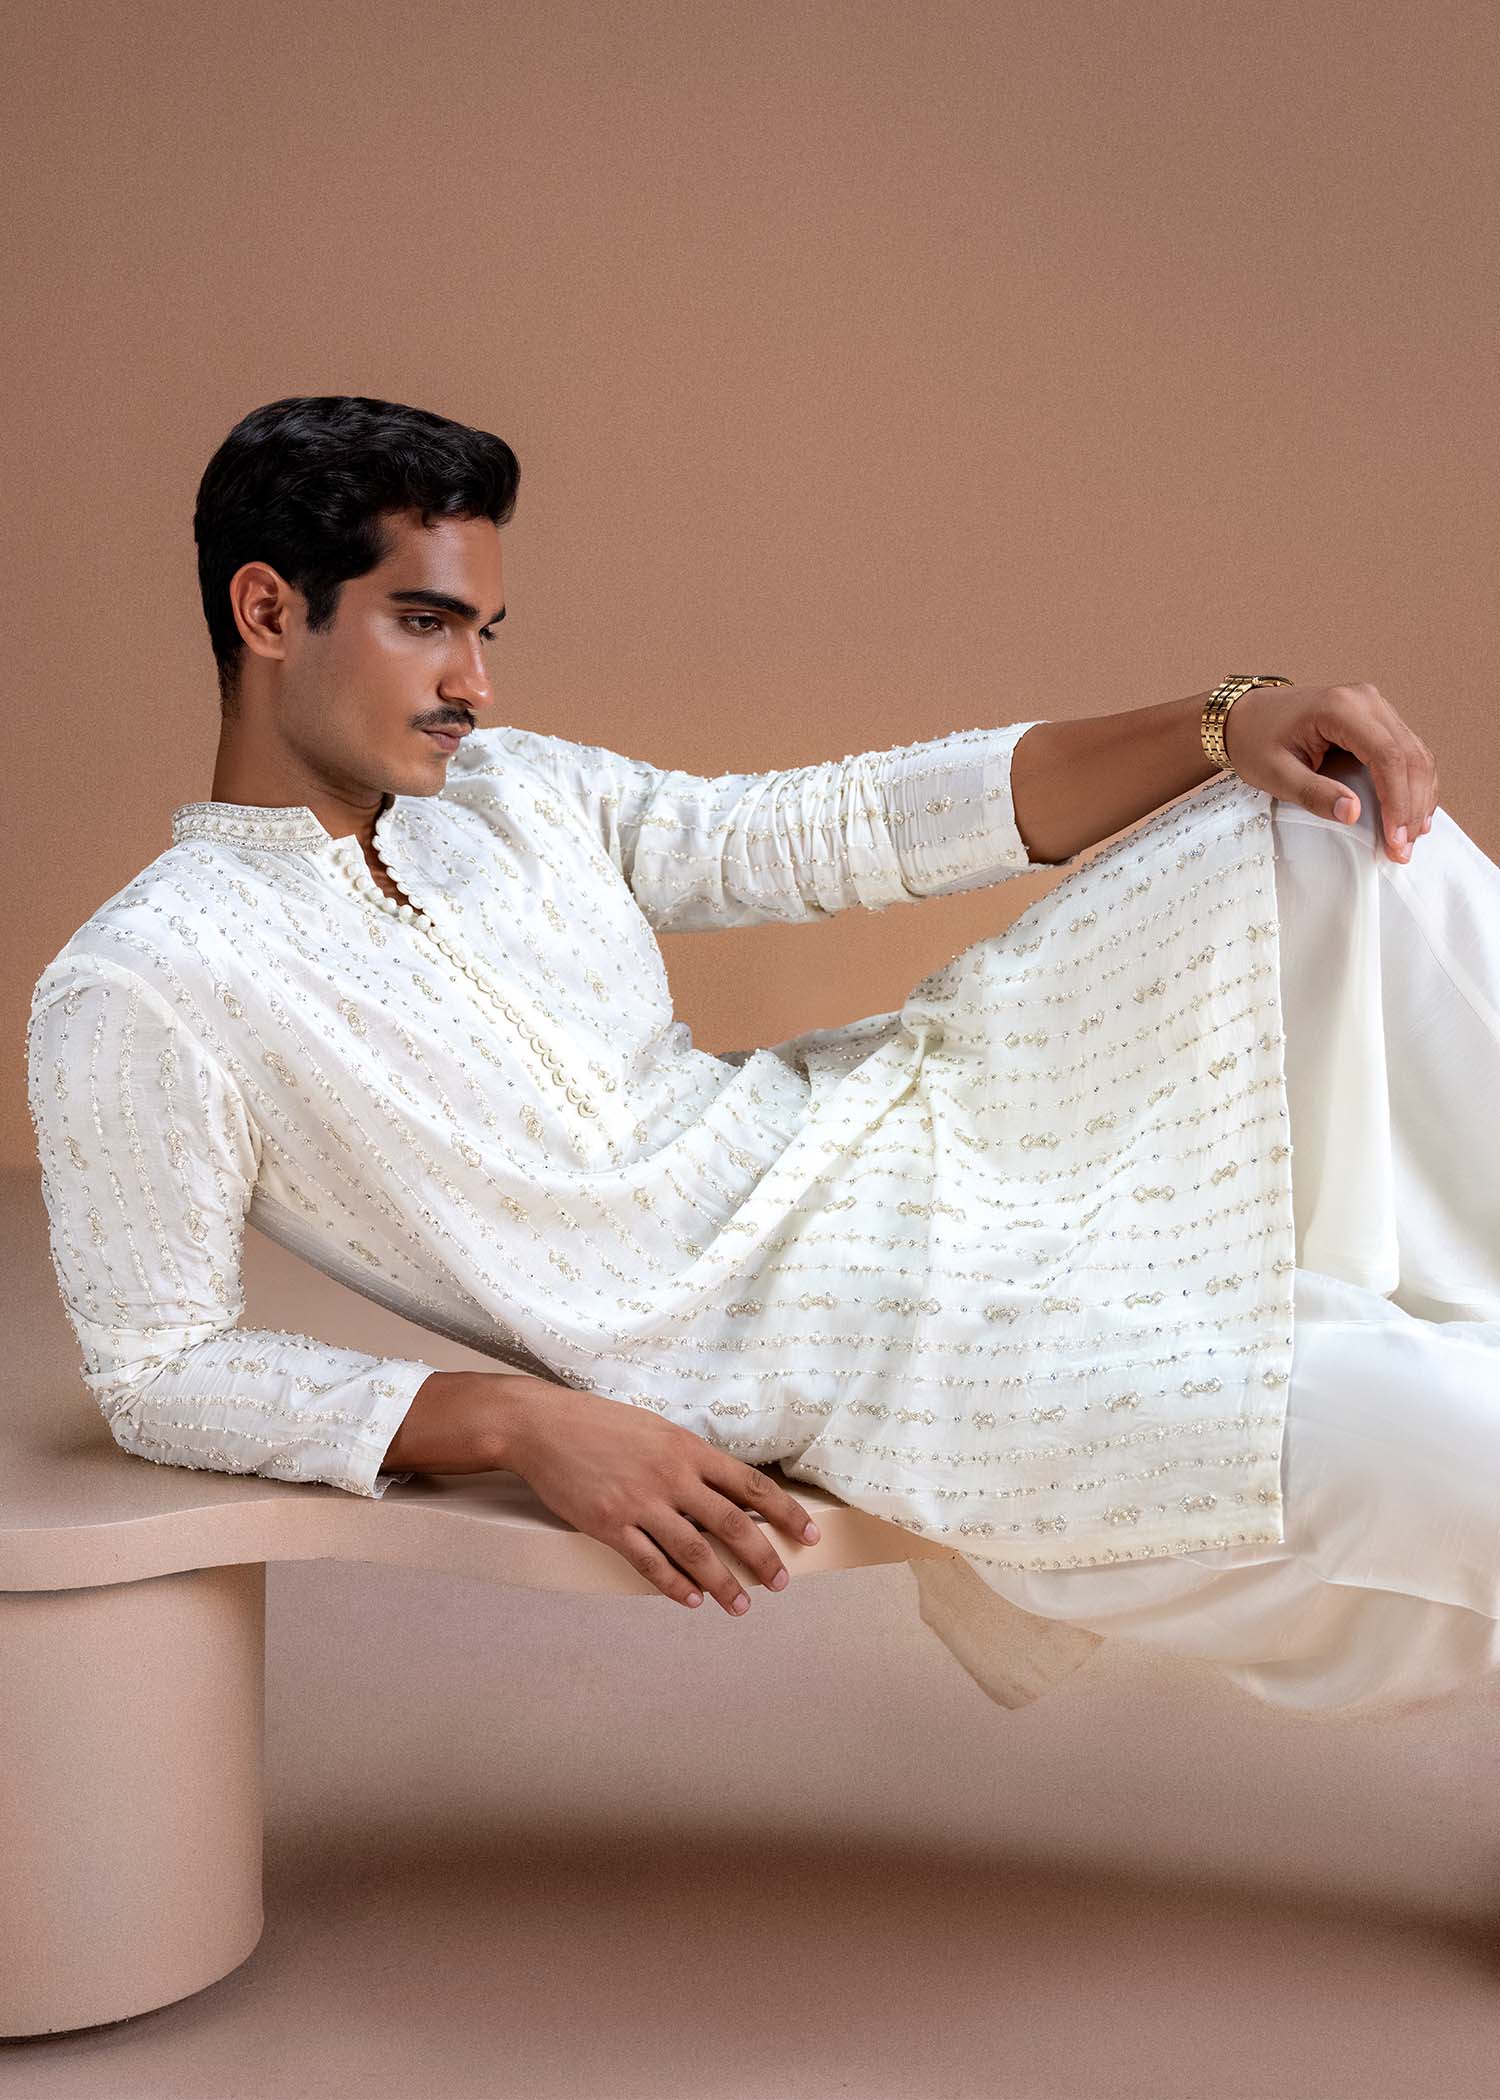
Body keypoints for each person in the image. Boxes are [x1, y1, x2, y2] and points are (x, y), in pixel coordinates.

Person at [29, 393, 1477, 1727]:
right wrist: (523, 1420)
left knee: (1333, 821)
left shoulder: (511, 793)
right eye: (426, 624)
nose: (475, 684)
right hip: (879, 1337)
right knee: (1443, 1437)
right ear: (269, 611)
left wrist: (1228, 720)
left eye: (486, 631)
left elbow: (831, 827)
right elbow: (164, 1370)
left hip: (943, 1123)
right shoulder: (148, 980)